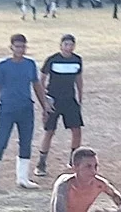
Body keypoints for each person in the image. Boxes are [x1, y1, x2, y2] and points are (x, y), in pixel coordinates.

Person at [0, 34, 52, 192]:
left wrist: (44, 105)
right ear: (11, 47)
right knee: (0, 142)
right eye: (17, 46)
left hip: (26, 109)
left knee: (25, 142)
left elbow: (36, 85)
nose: (20, 49)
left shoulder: (30, 64)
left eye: (22, 47)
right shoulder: (3, 65)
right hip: (7, 109)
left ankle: (23, 178)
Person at [34, 34, 84, 177]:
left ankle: (73, 162)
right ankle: (41, 163)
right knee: (49, 131)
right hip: (53, 100)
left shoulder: (77, 60)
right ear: (61, 45)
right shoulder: (52, 60)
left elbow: (79, 80)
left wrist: (80, 98)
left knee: (77, 130)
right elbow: (41, 80)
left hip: (70, 100)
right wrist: (45, 101)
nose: (69, 47)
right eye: (66, 44)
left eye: (71, 44)